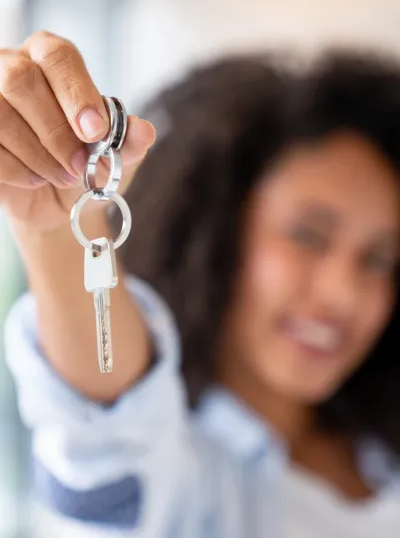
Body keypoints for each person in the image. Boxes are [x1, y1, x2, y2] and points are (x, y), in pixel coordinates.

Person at [2, 31, 400, 537]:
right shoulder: (183, 481)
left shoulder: (382, 452)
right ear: (213, 232)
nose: (343, 293)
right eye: (308, 236)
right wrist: (55, 228)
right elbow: (109, 431)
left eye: (378, 259)